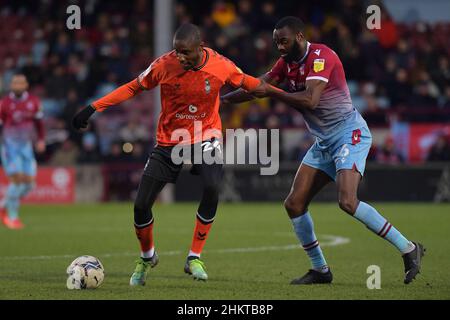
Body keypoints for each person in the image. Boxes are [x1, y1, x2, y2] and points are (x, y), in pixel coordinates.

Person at [223, 16, 425, 285]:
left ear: (299, 37)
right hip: (324, 142)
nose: (279, 47)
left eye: (283, 41)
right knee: (294, 204)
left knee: (347, 201)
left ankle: (409, 249)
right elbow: (256, 86)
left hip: (348, 134)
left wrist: (271, 91)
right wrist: (219, 100)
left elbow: (310, 100)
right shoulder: (285, 63)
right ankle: (320, 270)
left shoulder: (321, 56)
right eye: (275, 42)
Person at [72, 23, 265, 285]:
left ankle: (194, 257)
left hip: (205, 135)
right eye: (177, 51)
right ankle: (146, 257)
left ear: (201, 47)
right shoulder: (164, 65)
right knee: (141, 206)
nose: (180, 57)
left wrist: (282, 91)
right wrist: (94, 107)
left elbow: (252, 84)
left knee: (212, 185)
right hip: (169, 141)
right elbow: (132, 87)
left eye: (185, 52)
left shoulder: (222, 65)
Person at [0, 73, 46, 229]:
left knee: (29, 185)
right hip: (9, 147)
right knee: (17, 181)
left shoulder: (34, 102)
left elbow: (39, 123)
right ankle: (12, 217)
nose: (17, 86)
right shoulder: (4, 103)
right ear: (11, 85)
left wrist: (40, 140)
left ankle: (2, 206)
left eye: (20, 83)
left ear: (26, 85)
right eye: (14, 83)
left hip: (26, 147)